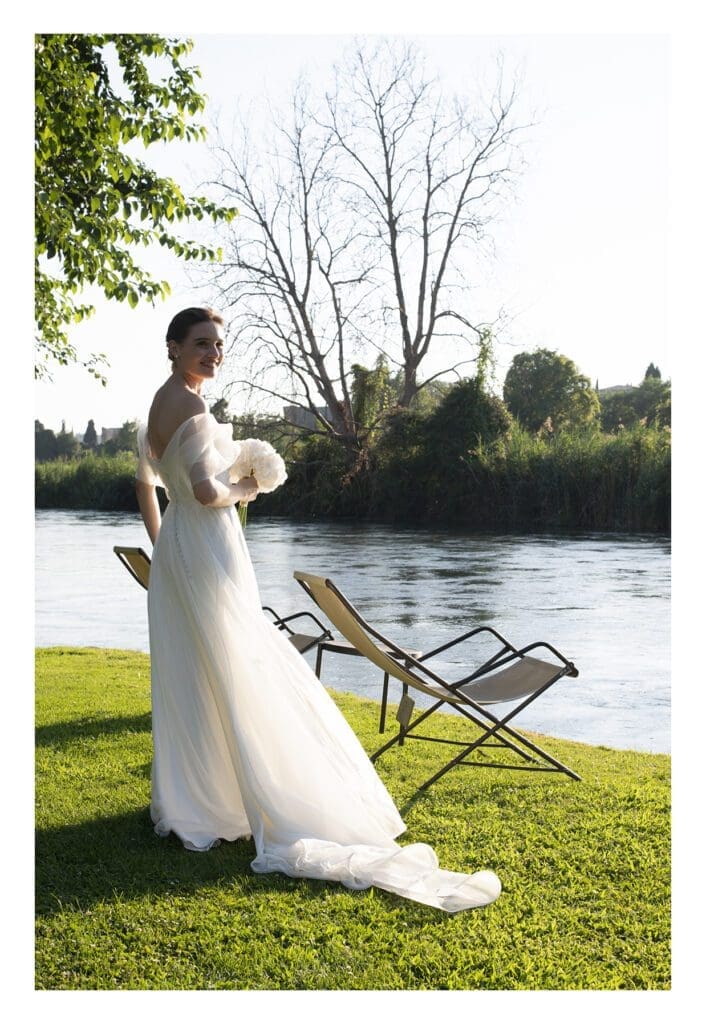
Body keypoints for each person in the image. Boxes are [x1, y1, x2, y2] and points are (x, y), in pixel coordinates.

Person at [135, 306, 501, 913]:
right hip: (204, 543)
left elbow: (150, 484)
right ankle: (263, 795)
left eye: (219, 345)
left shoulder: (158, 404)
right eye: (201, 344)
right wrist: (245, 490)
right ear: (172, 346)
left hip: (180, 549)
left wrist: (165, 546)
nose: (213, 353)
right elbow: (203, 491)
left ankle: (196, 803)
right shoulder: (192, 408)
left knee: (193, 673)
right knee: (238, 662)